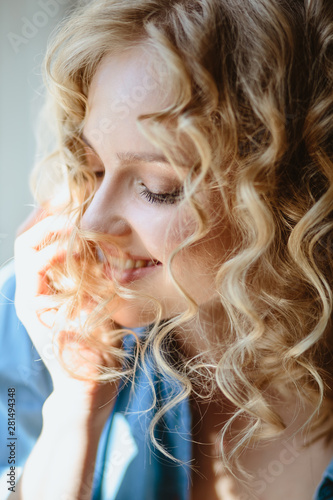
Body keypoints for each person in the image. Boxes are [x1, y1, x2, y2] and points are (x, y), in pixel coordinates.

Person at [1, 0, 333, 498]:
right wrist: (73, 411)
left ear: (287, 194)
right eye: (93, 168)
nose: (92, 222)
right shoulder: (43, 318)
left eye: (157, 187)